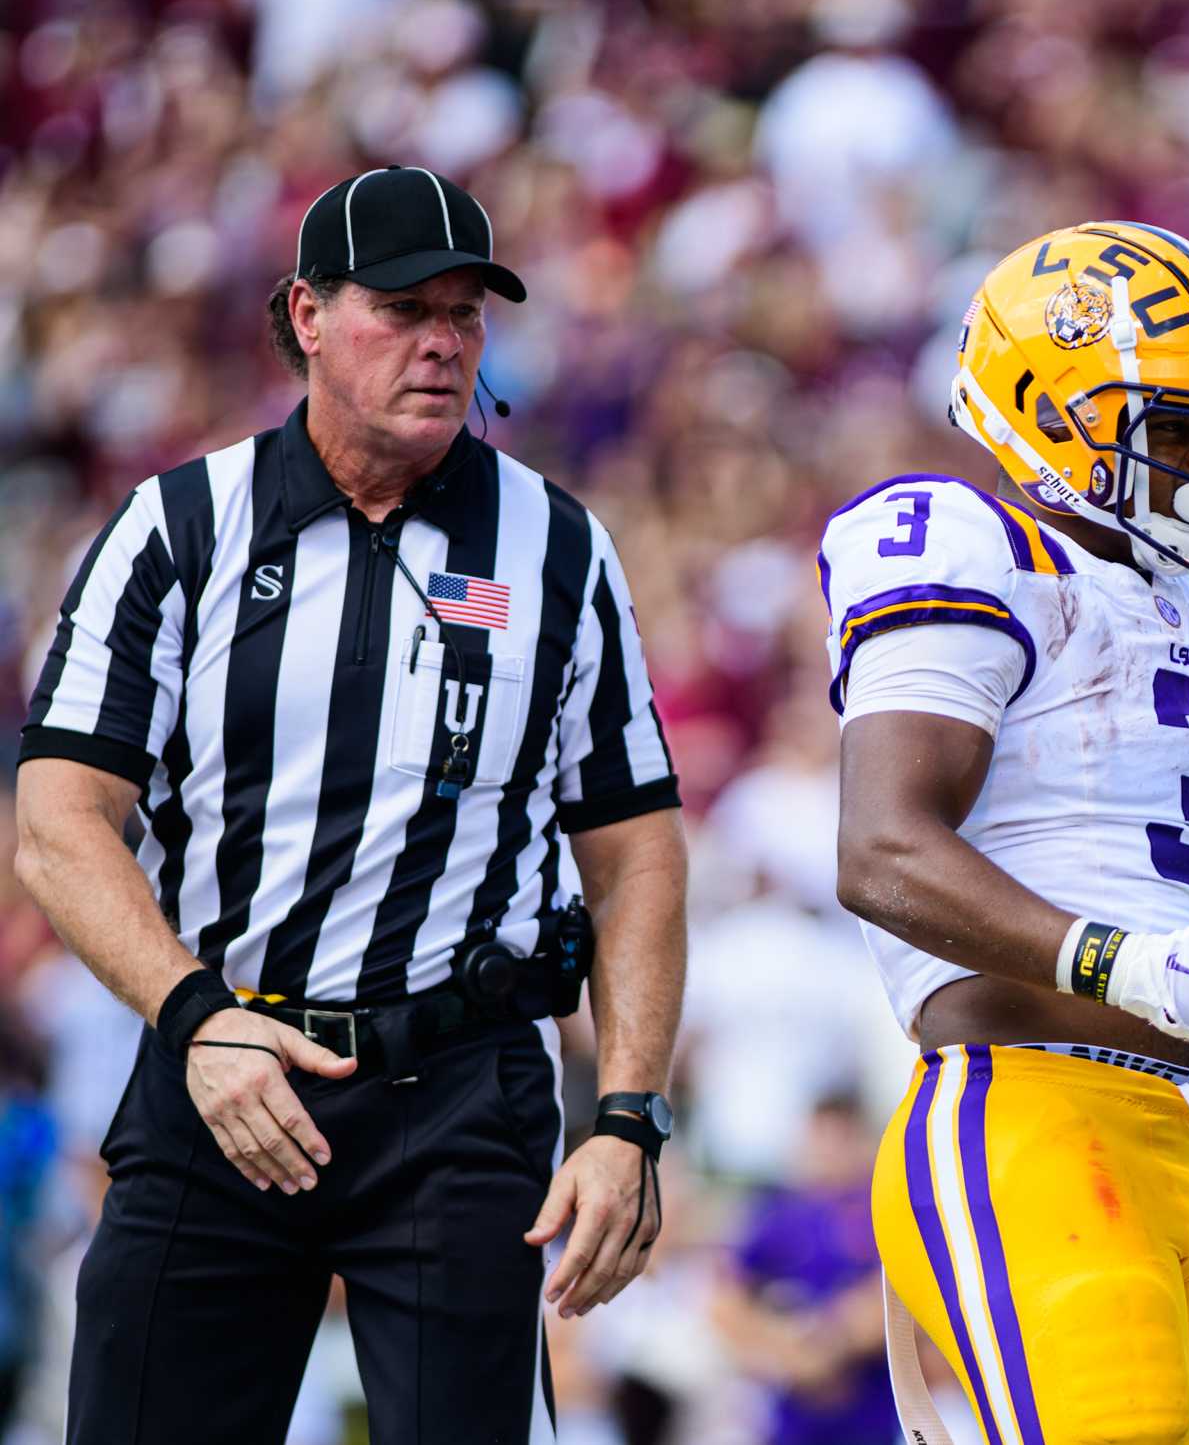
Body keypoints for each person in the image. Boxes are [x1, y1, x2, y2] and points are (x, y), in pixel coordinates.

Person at [11, 165, 687, 1443]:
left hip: (458, 1090)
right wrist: (198, 1020)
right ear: (306, 316)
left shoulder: (557, 545)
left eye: (464, 313)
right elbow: (56, 823)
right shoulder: (180, 526)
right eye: (400, 308)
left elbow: (637, 852)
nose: (442, 341)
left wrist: (630, 1117)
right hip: (223, 1068)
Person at [824, 221, 1189, 1443]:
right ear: (1053, 417)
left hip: (1174, 1137)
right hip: (1017, 1113)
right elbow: (881, 851)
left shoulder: (1186, 609)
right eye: (1181, 431)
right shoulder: (965, 540)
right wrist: (1137, 967)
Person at [713, 1092, 901, 1445]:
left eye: (840, 1138)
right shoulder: (781, 1213)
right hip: (790, 1412)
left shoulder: (885, 1210)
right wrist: (781, 1350)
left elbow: (897, 1296)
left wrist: (832, 1343)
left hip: (869, 1409)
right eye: (820, 1137)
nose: (828, 1151)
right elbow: (724, 1295)